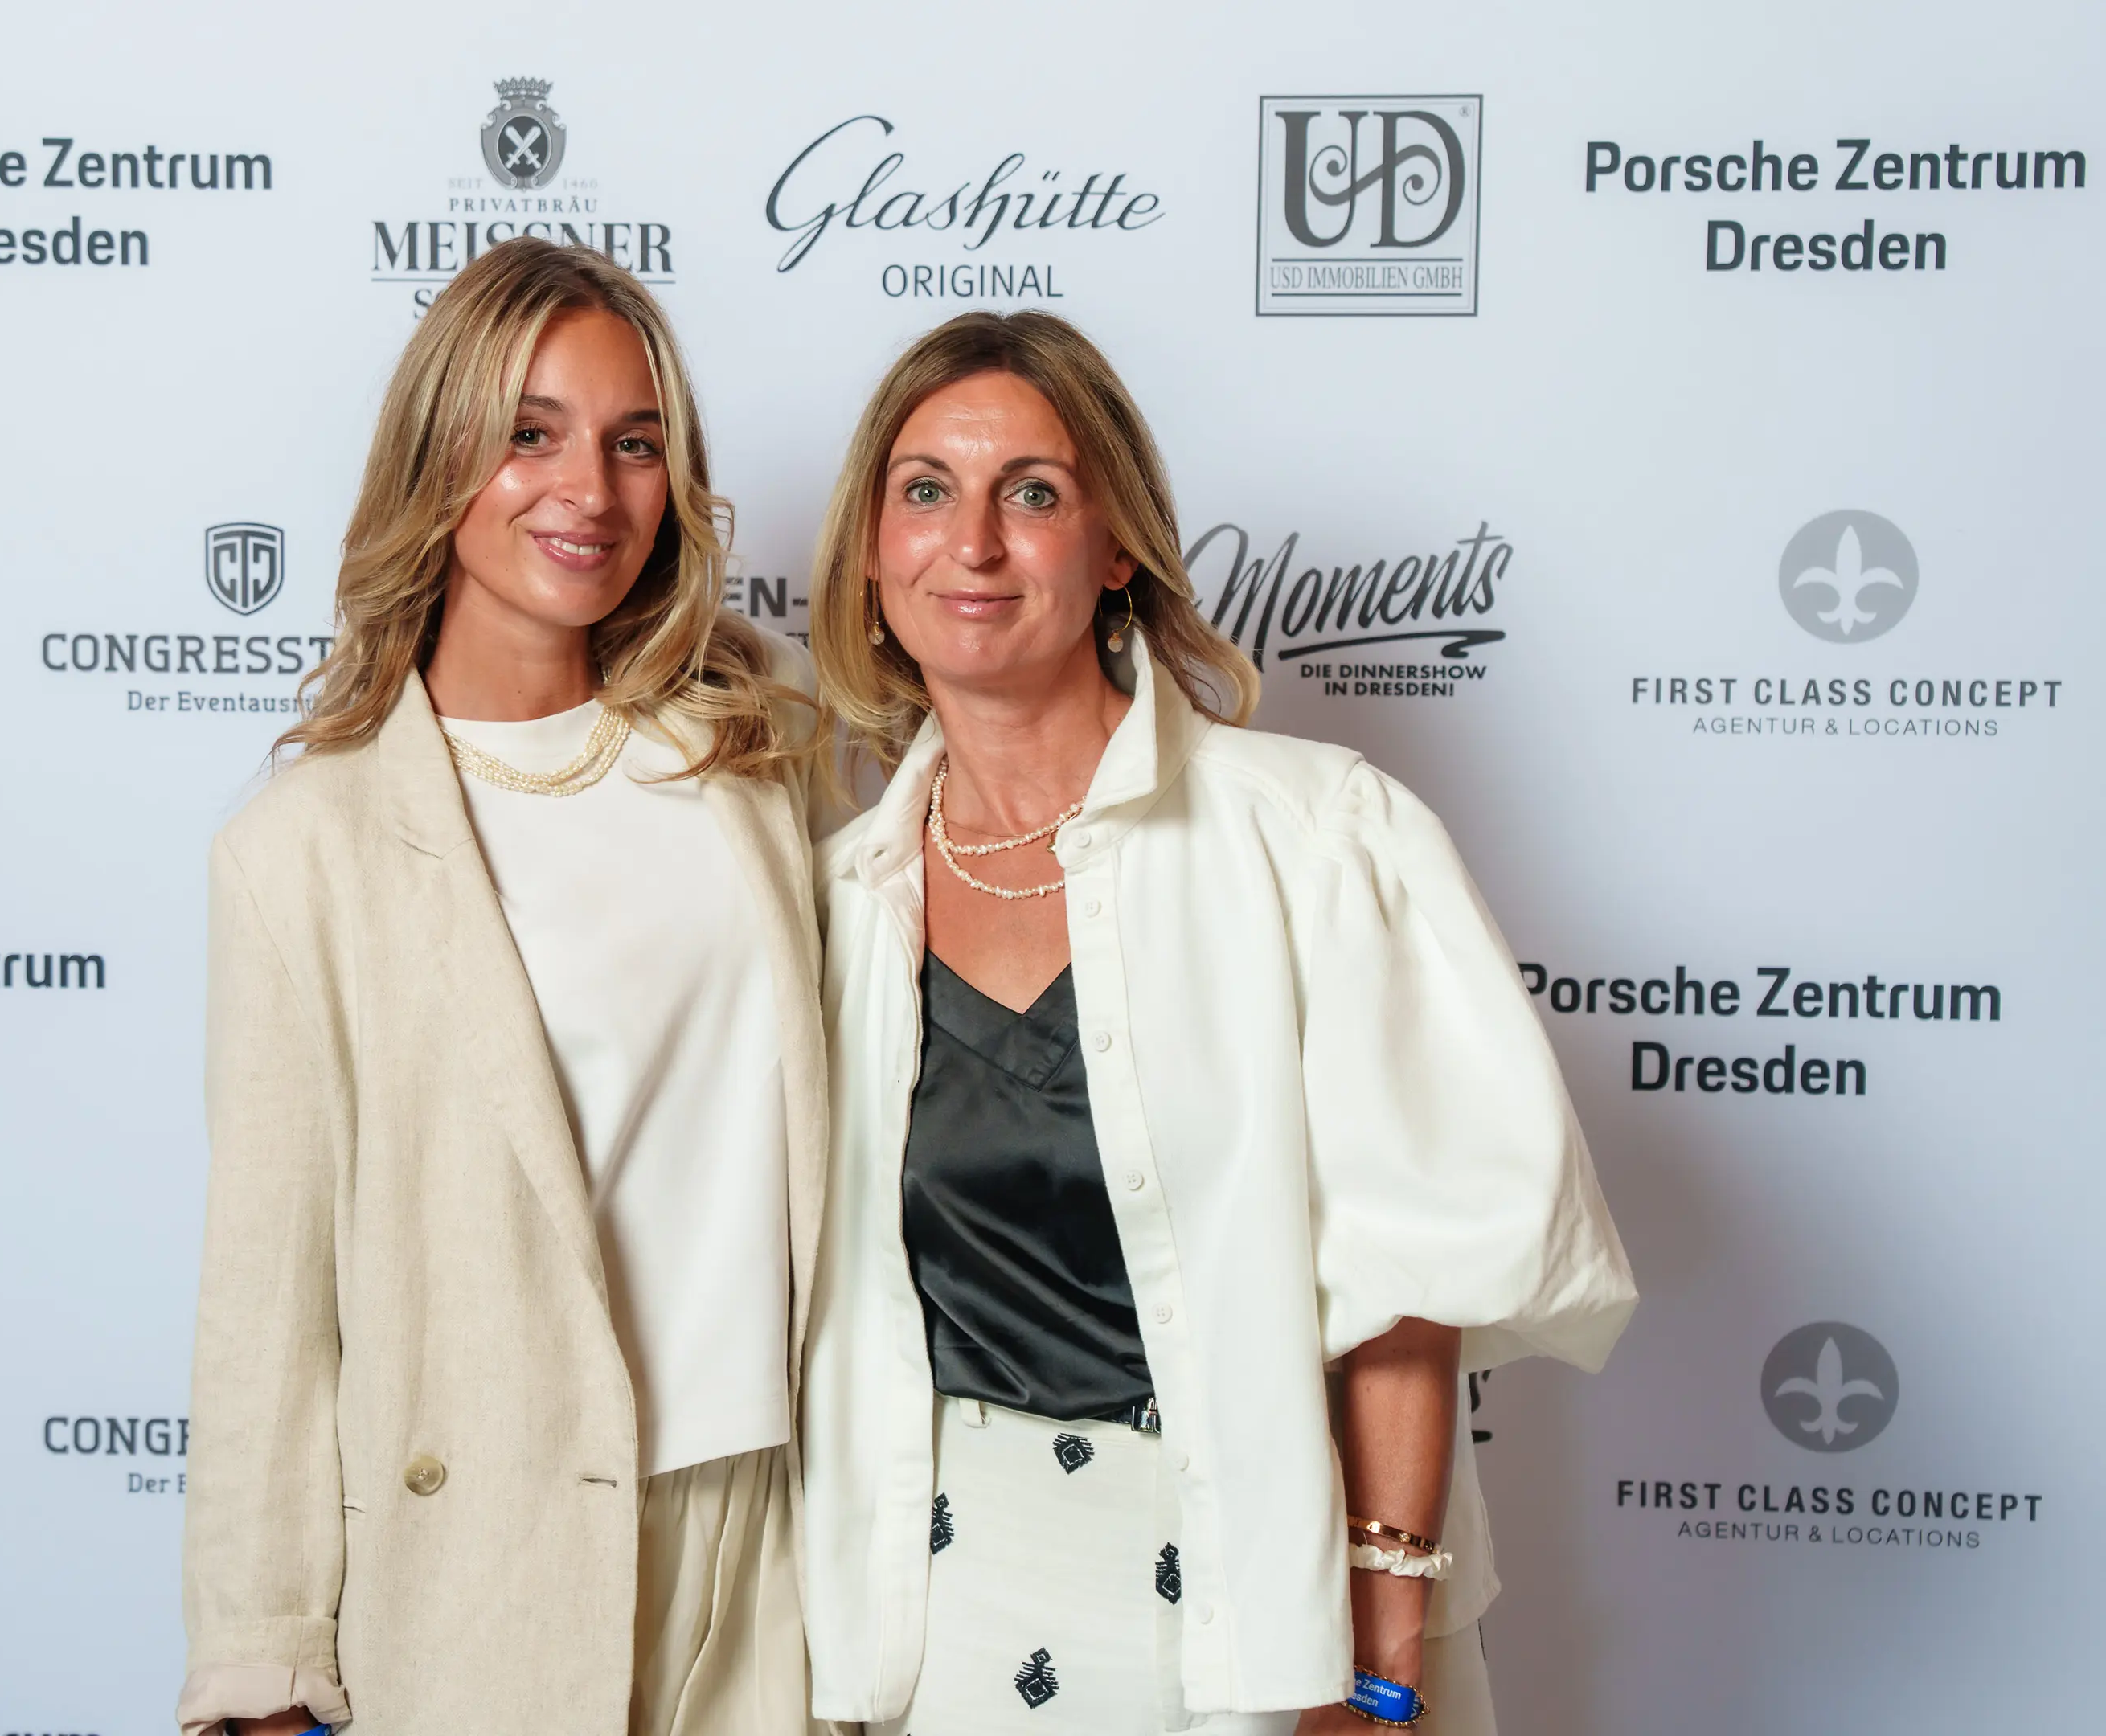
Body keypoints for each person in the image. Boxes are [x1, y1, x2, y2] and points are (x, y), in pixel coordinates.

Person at [798, 310, 1637, 1734]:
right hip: (936, 1611)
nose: (974, 543)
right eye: (926, 490)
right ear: (873, 556)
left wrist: (1378, 1668)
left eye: (1033, 493)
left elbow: (1405, 1286)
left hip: (1255, 1598)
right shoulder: (834, 903)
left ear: (1117, 547)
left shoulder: (1313, 836)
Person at [176, 239, 830, 1736]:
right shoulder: (303, 852)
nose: (587, 489)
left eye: (635, 443)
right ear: (437, 456)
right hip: (494, 1550)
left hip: (780, 1530)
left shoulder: (760, 744)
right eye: (530, 433)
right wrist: (263, 1663)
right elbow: (266, 1302)